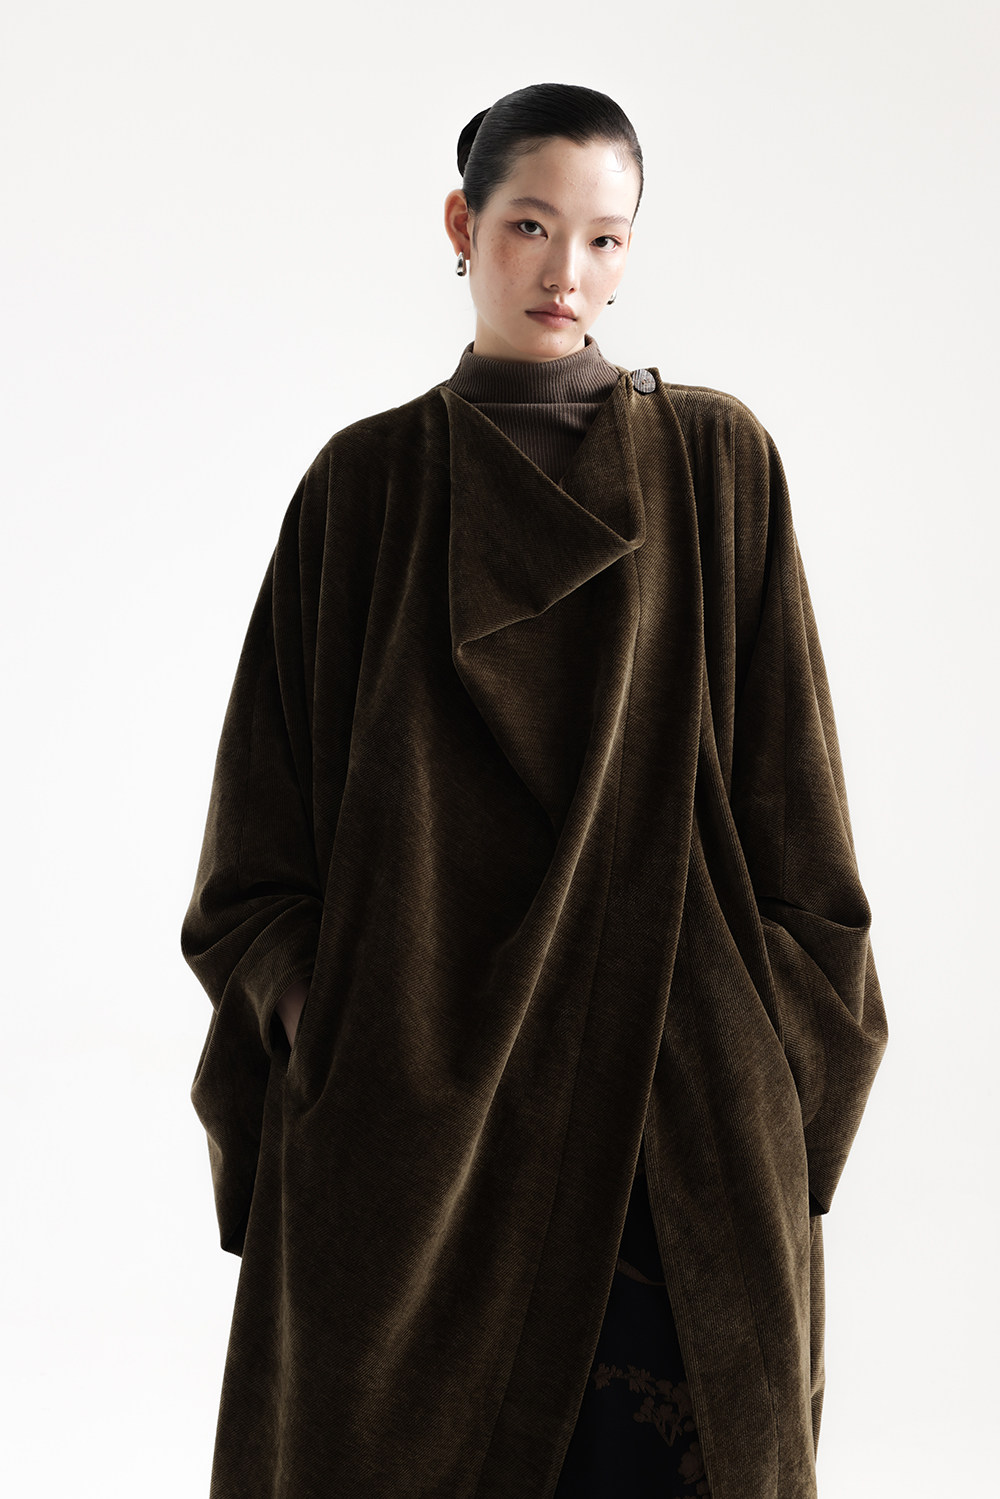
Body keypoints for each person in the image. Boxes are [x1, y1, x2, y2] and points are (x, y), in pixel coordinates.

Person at [181, 83, 888, 1499]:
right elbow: (257, 849)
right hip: (418, 1139)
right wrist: (340, 1030)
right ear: (464, 223)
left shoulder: (716, 463)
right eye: (529, 226)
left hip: (674, 1110)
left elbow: (799, 823)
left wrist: (779, 1058)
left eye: (605, 238)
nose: (567, 271)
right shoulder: (366, 488)